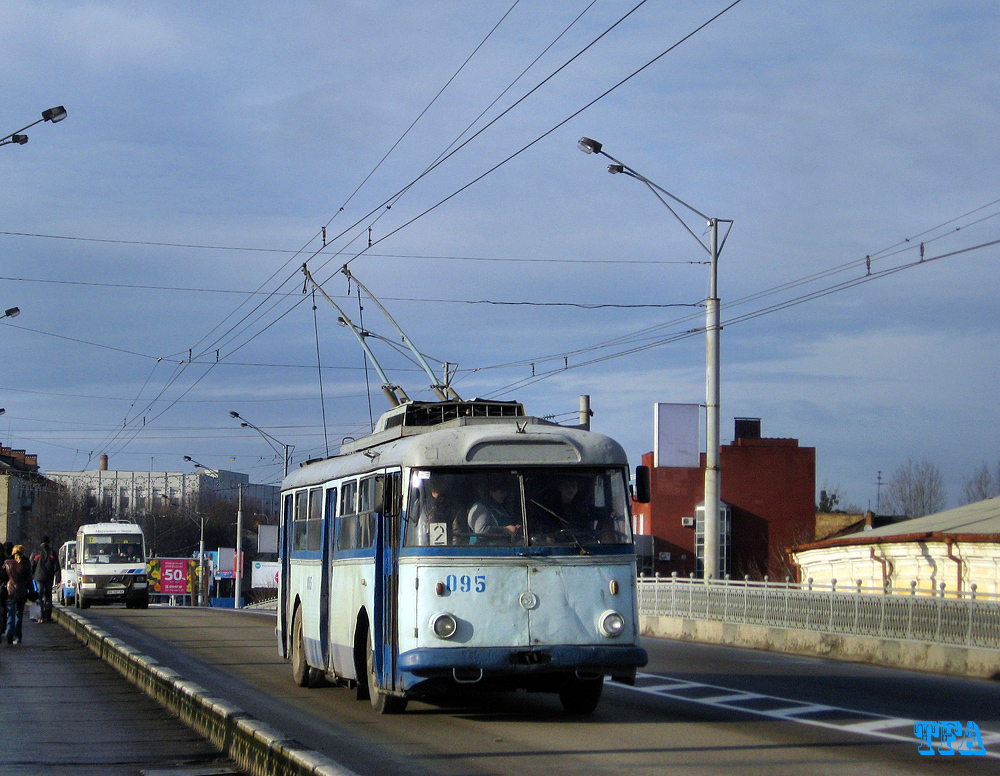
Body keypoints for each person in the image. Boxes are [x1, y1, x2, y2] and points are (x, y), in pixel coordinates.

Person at [4, 544, 33, 645]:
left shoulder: (7, 563)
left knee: (10, 613)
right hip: (21, 591)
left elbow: (4, 576)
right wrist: (32, 591)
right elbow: (29, 579)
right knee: (19, 614)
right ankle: (18, 635)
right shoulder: (26, 563)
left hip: (10, 591)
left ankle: (9, 633)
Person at [31, 535, 60, 623]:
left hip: (38, 577)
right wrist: (58, 579)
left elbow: (31, 565)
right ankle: (47, 616)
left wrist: (32, 576)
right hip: (49, 577)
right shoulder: (52, 553)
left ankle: (40, 617)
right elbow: (57, 567)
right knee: (48, 596)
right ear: (48, 542)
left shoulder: (36, 552)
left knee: (39, 597)